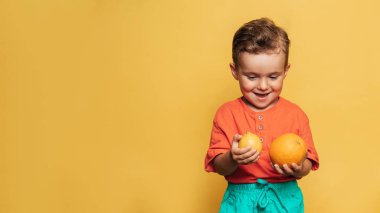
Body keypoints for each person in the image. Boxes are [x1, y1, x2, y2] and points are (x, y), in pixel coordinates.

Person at [204, 18, 319, 213]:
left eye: (273, 77)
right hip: (240, 201)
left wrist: (298, 169)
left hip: (284, 199)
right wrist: (233, 157)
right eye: (252, 77)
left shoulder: (296, 114)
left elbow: (309, 162)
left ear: (285, 71)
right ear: (235, 71)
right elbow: (219, 165)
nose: (263, 86)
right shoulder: (226, 114)